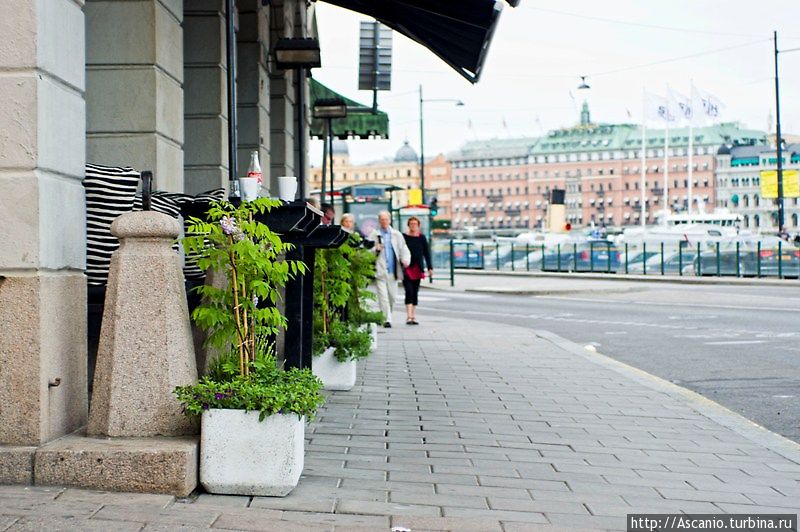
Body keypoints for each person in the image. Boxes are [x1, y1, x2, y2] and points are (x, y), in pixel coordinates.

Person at [368, 211, 410, 328]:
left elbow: (404, 249)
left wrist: (405, 260)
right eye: (382, 220)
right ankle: (387, 319)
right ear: (379, 221)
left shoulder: (396, 235)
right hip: (380, 271)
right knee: (383, 297)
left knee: (392, 297)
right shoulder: (374, 235)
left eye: (386, 219)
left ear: (390, 220)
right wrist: (375, 249)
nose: (384, 222)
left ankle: (388, 315)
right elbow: (367, 252)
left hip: (393, 271)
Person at [402, 217, 433, 325]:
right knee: (409, 291)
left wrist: (430, 267)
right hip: (407, 268)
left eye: (415, 224)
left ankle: (413, 315)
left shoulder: (422, 238)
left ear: (418, 225)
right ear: (408, 225)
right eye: (411, 224)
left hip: (418, 268)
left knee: (415, 291)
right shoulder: (404, 237)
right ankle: (409, 316)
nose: (413, 225)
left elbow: (426, 253)